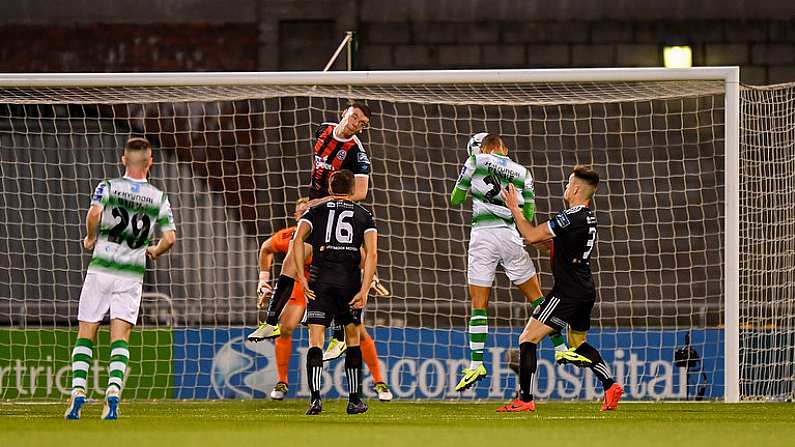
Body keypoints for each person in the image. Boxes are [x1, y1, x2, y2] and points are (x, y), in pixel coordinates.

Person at [450, 133, 590, 392]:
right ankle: (560, 349)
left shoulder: (474, 161)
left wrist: (472, 185)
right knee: (538, 298)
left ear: (484, 148)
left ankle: (476, 364)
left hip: (482, 238)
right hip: (510, 237)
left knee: (479, 304)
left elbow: (455, 200)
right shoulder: (522, 172)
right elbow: (527, 215)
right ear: (504, 148)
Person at [64, 137, 176, 420]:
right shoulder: (158, 197)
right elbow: (170, 239)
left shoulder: (109, 186)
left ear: (124, 160)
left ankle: (78, 391)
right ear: (150, 162)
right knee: (121, 337)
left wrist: (91, 237)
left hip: (101, 268)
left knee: (86, 332)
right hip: (130, 275)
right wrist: (153, 251)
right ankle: (113, 392)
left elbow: (94, 213)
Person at [497, 165, 623, 412]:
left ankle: (525, 400)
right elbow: (553, 247)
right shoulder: (588, 218)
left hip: (566, 293)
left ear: (576, 188)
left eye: (568, 183)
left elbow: (533, 235)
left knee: (527, 339)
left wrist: (514, 208)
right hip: (585, 290)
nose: (565, 188)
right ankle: (610, 386)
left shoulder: (570, 216)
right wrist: (534, 240)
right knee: (577, 343)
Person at [248, 102, 372, 341]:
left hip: (331, 211)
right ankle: (271, 322)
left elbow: (361, 192)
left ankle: (339, 335)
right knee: (289, 264)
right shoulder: (323, 129)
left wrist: (321, 201)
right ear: (344, 113)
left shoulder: (357, 152)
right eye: (354, 117)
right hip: (315, 211)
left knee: (336, 269)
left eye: (361, 123)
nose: (355, 124)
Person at [250, 197, 392, 401]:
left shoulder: (327, 234)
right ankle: (282, 382)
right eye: (299, 212)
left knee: (358, 332)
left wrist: (371, 280)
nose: (303, 214)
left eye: (306, 210)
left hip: (327, 284)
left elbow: (362, 256)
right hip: (302, 286)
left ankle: (379, 381)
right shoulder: (290, 236)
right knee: (287, 326)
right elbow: (266, 248)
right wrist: (263, 281)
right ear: (296, 216)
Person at [292, 170, 377, 415]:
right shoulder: (365, 215)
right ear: (353, 189)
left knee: (315, 340)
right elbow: (371, 254)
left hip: (320, 281)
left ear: (330, 188)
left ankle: (315, 399)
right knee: (352, 339)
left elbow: (297, 240)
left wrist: (301, 276)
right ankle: (354, 400)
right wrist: (364, 289)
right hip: (349, 283)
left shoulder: (315, 211)